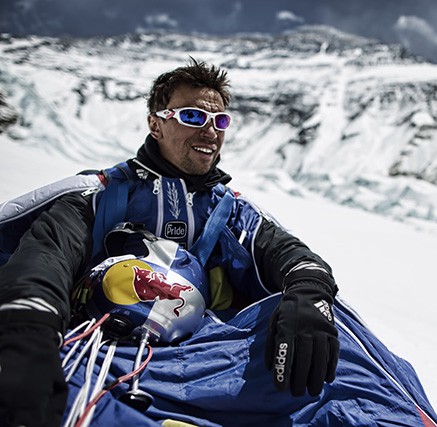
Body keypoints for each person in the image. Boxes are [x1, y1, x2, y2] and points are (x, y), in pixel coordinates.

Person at [0, 58, 339, 427]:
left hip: (204, 360)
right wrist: (29, 327)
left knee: (339, 348)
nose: (211, 132)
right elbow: (46, 256)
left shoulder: (227, 210)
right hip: (98, 351)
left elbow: (288, 253)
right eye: (193, 117)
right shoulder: (103, 196)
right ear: (155, 123)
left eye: (219, 120)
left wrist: (310, 294)